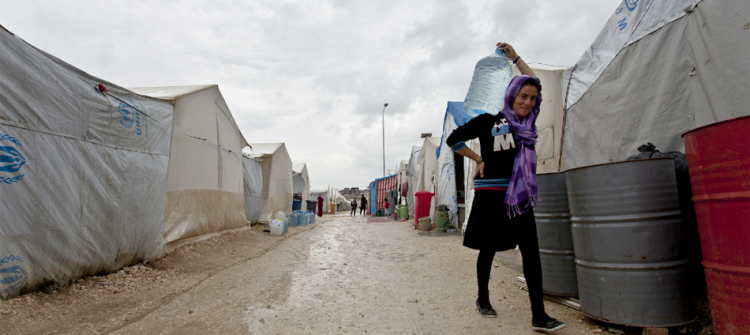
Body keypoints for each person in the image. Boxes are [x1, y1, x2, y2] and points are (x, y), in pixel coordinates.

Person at [445, 43, 565, 333]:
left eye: (532, 98)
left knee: (531, 253)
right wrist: (479, 157)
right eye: (522, 96)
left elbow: (534, 82)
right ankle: (482, 299)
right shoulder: (489, 119)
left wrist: (517, 59)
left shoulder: (528, 122)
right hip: (491, 196)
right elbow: (453, 140)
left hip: (520, 198)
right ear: (511, 95)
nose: (527, 102)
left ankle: (539, 316)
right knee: (488, 249)